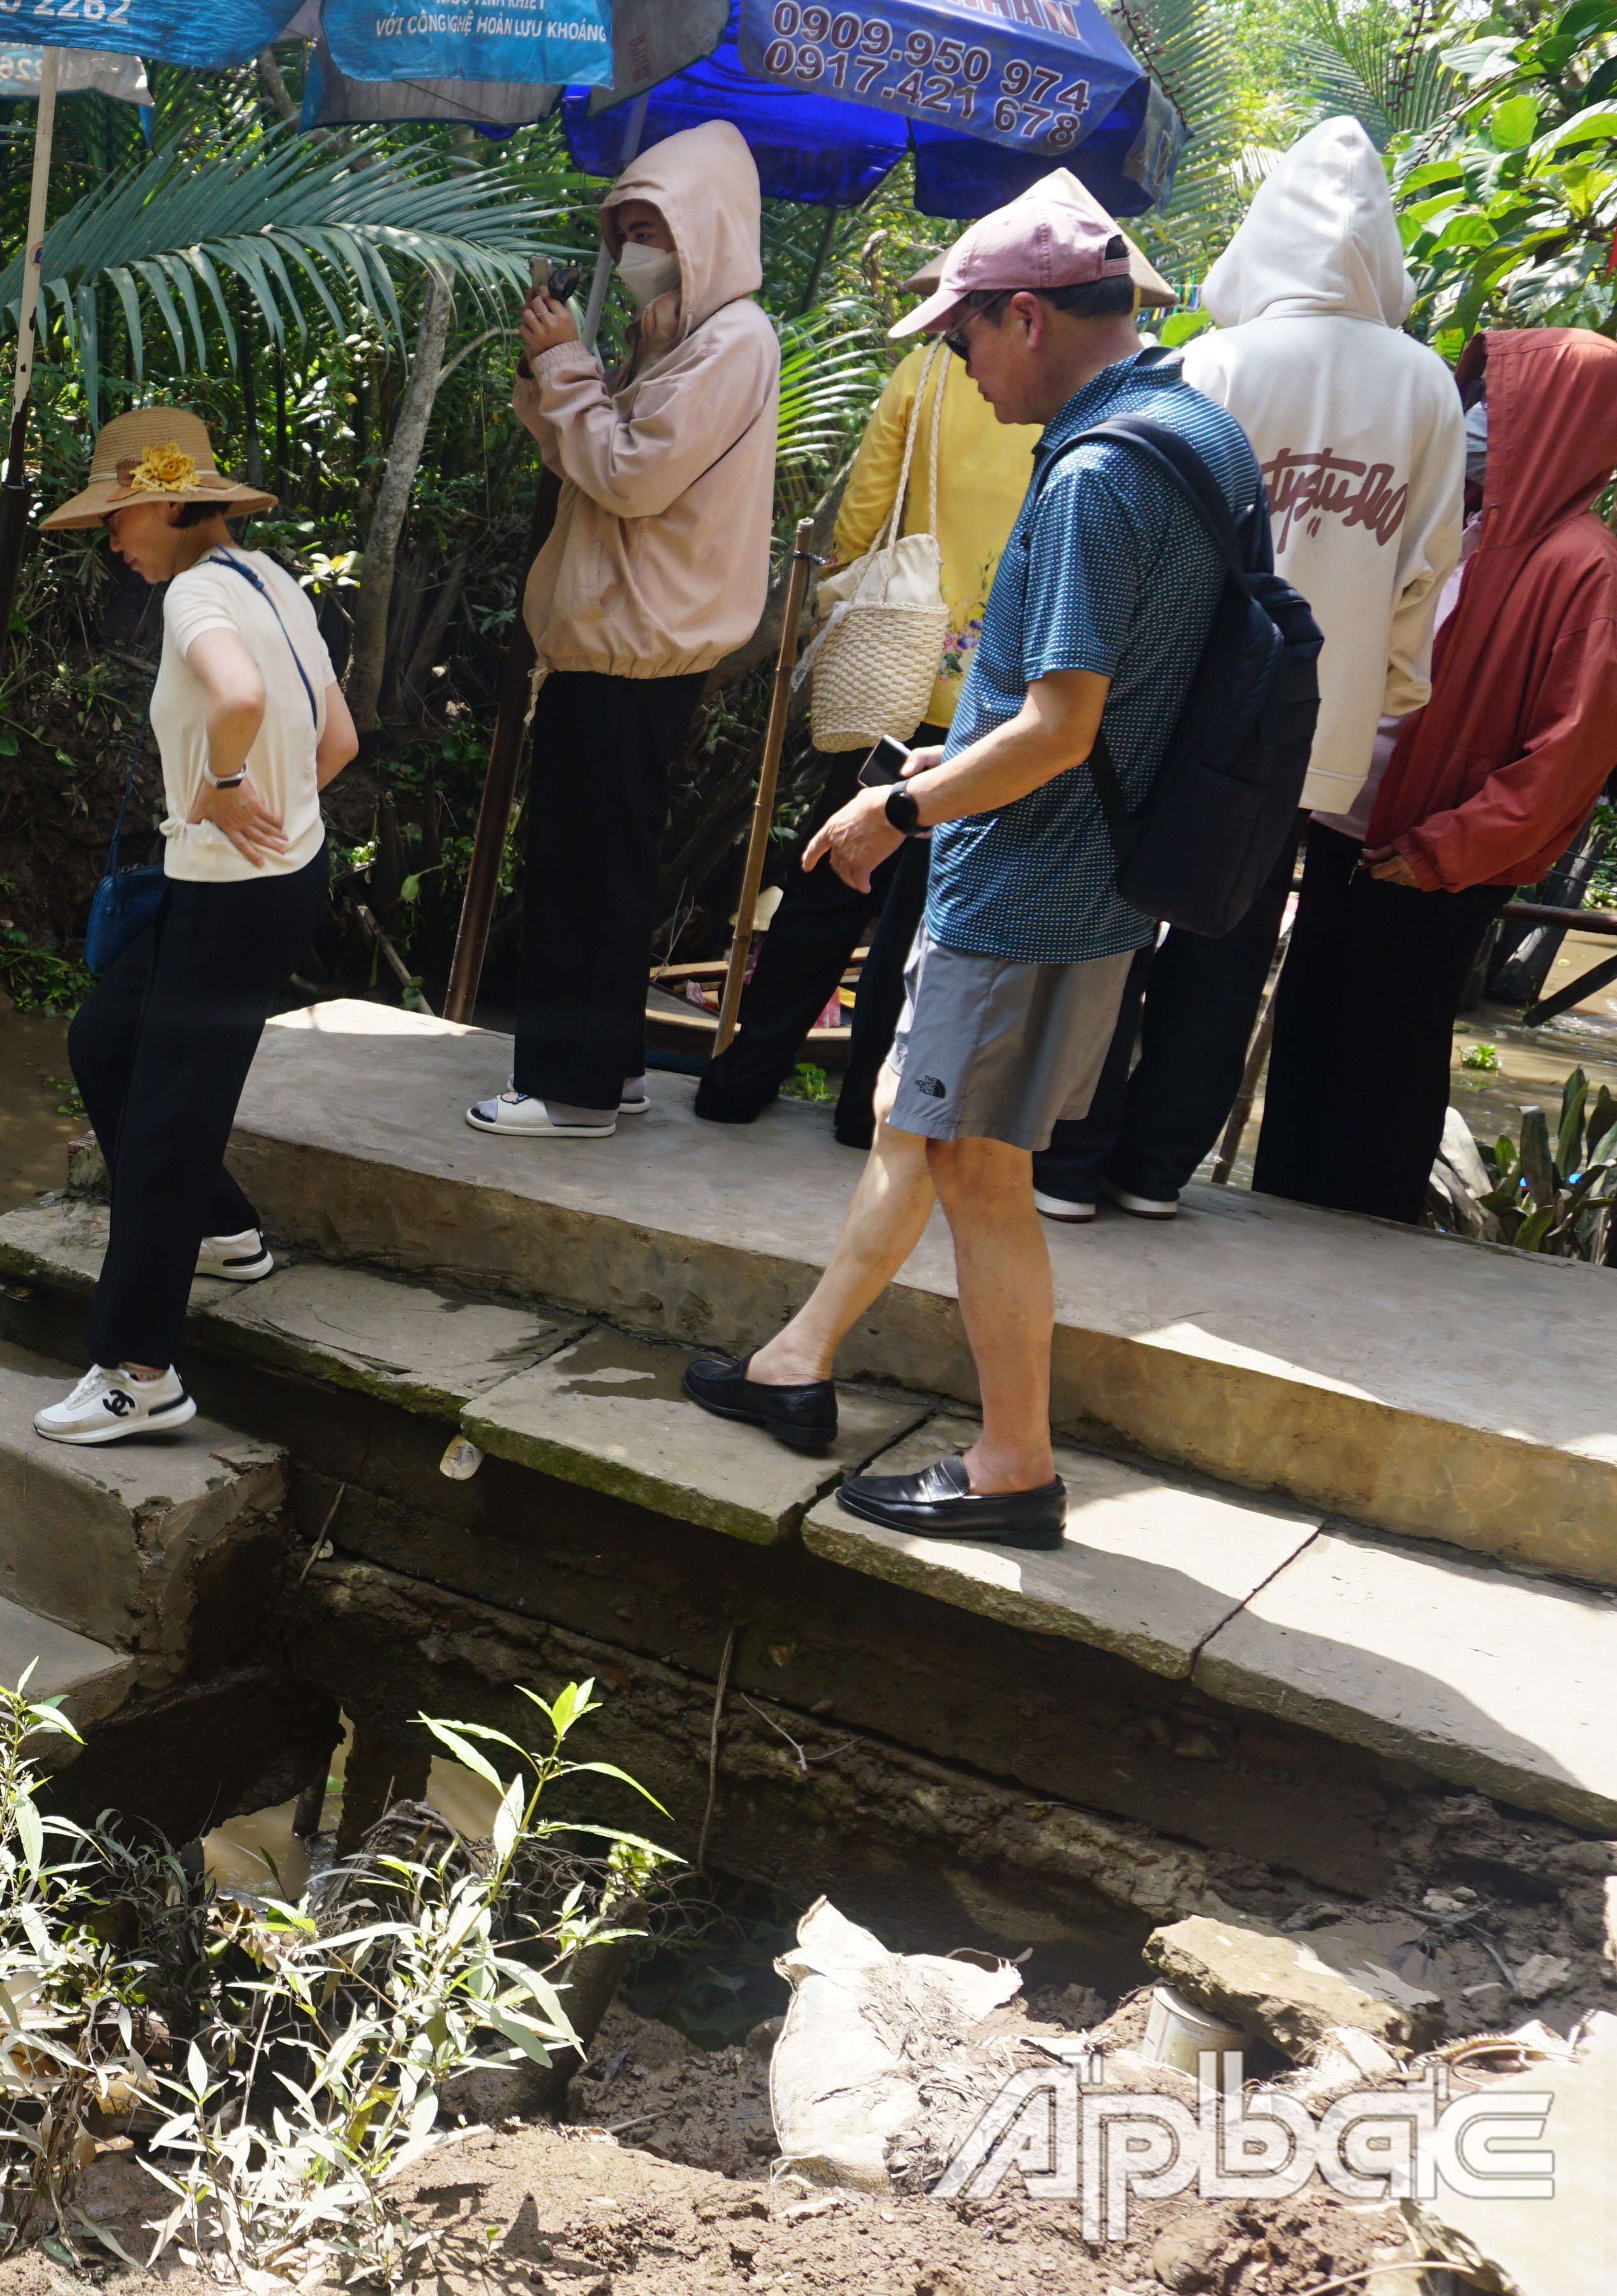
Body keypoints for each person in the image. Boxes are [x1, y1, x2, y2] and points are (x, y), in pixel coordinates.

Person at [681, 182, 1264, 1550]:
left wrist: (900, 809)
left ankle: (1014, 1468)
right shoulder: (1201, 431)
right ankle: (798, 1360)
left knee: (978, 1171)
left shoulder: (1095, 474)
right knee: (919, 1121)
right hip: (1098, 877)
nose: (957, 365)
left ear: (1027, 314)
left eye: (964, 339)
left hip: (1032, 883)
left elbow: (1059, 727)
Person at [1029, 117, 1466, 1223]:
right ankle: (1155, 1167)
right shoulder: (1422, 390)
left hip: (1175, 699)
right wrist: (1384, 695)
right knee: (1231, 933)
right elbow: (1427, 570)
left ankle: (1071, 1159)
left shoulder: (1212, 362)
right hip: (1308, 715)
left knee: (1117, 923)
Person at [27, 406, 353, 1443]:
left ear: (172, 503)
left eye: (121, 518)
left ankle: (138, 1374)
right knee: (105, 1039)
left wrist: (220, 784)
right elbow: (337, 736)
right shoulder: (272, 579)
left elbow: (243, 694)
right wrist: (271, 812)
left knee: (168, 1123)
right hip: (262, 882)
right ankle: (222, 1227)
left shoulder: (197, 599)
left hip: (232, 896)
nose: (113, 541)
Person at [1260, 328, 1617, 1218]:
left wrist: (1449, 848)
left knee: (1386, 1049)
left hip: (1434, 852)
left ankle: (1362, 1237)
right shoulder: (1459, 524)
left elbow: (1570, 755)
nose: (1479, 417)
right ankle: (1279, 1219)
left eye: (1506, 403)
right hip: (1353, 824)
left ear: (1560, 425)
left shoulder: (1584, 567)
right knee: (1310, 1029)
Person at [475, 119, 779, 1140]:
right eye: (627, 230)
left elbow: (629, 476)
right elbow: (601, 458)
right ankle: (606, 1065)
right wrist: (580, 370)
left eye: (656, 228)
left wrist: (568, 370)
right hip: (619, 640)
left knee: (581, 867)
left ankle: (571, 1092)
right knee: (600, 860)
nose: (635, 249)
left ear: (709, 232)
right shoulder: (689, 339)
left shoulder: (734, 341)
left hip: (632, 646)